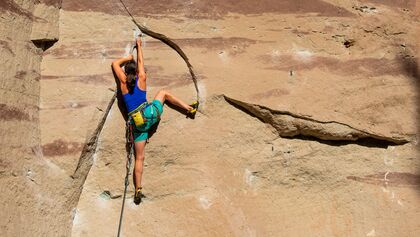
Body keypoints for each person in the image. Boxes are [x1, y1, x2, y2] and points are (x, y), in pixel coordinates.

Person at [112, 37, 198, 205]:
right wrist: (138, 47)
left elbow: (115, 64)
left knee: (140, 158)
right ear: (136, 73)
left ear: (125, 74)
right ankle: (189, 108)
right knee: (164, 93)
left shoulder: (122, 84)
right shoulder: (141, 78)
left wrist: (127, 58)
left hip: (139, 125)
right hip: (152, 114)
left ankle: (138, 188)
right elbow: (142, 63)